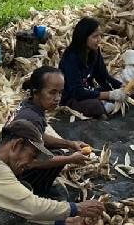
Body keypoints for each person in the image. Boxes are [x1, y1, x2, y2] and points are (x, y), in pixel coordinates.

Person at [11, 66, 93, 197]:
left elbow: (39, 136)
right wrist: (69, 159)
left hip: (15, 157)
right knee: (59, 156)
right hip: (11, 170)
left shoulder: (31, 105)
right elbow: (29, 162)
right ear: (36, 91)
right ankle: (35, 191)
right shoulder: (31, 117)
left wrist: (70, 144)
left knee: (59, 152)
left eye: (60, 92)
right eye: (52, 92)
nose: (58, 98)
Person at [58, 17, 132, 118]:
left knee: (128, 94)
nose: (99, 40)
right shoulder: (70, 59)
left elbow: (103, 77)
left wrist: (122, 86)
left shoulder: (94, 52)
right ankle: (103, 107)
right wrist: (110, 95)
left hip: (90, 90)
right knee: (95, 106)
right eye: (95, 36)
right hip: (73, 97)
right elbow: (77, 91)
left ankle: (105, 107)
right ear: (83, 38)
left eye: (100, 36)